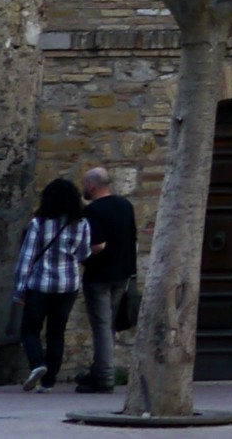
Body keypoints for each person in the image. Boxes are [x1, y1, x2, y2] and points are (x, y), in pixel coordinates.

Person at [13, 178, 95, 393]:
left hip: (39, 284)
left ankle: (38, 363)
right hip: (68, 285)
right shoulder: (82, 224)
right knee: (56, 332)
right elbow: (84, 254)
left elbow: (27, 257)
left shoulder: (38, 223)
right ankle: (48, 382)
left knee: (30, 329)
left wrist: (20, 289)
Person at [78, 167, 136, 394]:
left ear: (92, 186)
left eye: (84, 183)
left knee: (102, 325)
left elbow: (97, 244)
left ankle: (104, 376)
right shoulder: (125, 205)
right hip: (122, 273)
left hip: (99, 274)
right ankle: (99, 369)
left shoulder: (92, 210)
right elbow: (132, 238)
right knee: (109, 324)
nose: (83, 187)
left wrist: (82, 257)